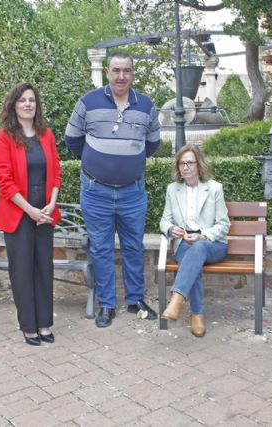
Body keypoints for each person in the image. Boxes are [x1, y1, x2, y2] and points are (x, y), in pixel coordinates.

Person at [64, 51, 161, 328]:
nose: (121, 76)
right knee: (101, 249)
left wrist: (127, 161)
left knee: (133, 246)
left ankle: (135, 300)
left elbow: (152, 143)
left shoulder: (146, 105)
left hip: (133, 192)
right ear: (108, 71)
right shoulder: (88, 102)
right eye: (116, 70)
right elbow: (72, 140)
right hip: (96, 192)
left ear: (132, 73)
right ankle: (106, 304)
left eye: (127, 71)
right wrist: (98, 162)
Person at [0, 82, 61, 345]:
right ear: (14, 105)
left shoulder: (47, 135)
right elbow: (4, 181)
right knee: (22, 271)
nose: (28, 104)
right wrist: (30, 210)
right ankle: (29, 326)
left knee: (44, 268)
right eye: (22, 100)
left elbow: (55, 172)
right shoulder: (4, 136)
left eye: (32, 100)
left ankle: (44, 323)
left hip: (45, 213)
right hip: (19, 214)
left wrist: (51, 205)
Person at [159, 144, 230, 337]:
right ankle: (196, 315)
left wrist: (203, 235)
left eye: (190, 162)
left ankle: (177, 300)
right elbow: (165, 220)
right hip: (185, 245)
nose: (185, 167)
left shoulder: (214, 188)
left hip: (213, 245)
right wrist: (170, 228)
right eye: (182, 163)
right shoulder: (173, 190)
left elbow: (224, 224)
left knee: (198, 248)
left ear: (199, 165)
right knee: (193, 261)